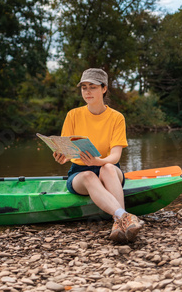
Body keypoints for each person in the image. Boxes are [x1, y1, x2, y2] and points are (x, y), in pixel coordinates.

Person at [53, 68, 142, 243]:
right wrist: (63, 156)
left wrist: (99, 161)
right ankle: (124, 219)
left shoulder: (117, 118)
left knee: (107, 168)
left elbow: (115, 156)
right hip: (80, 172)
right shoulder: (73, 115)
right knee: (88, 176)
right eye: (84, 87)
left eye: (92, 87)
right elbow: (67, 151)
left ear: (104, 88)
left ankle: (119, 222)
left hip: (109, 170)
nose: (87, 91)